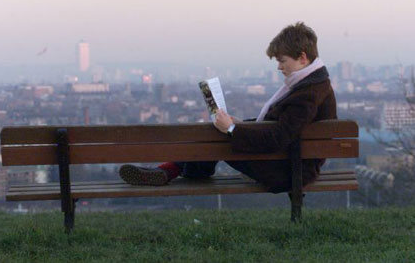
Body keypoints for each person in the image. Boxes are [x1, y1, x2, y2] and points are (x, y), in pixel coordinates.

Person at [118, 22, 337, 193]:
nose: (279, 67)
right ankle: (172, 171)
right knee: (219, 132)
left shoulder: (307, 93)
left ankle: (169, 171)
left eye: (283, 61)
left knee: (220, 136)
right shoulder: (311, 85)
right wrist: (238, 125)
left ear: (302, 58)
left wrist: (233, 130)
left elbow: (279, 136)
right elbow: (283, 128)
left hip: (289, 171)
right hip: (288, 161)